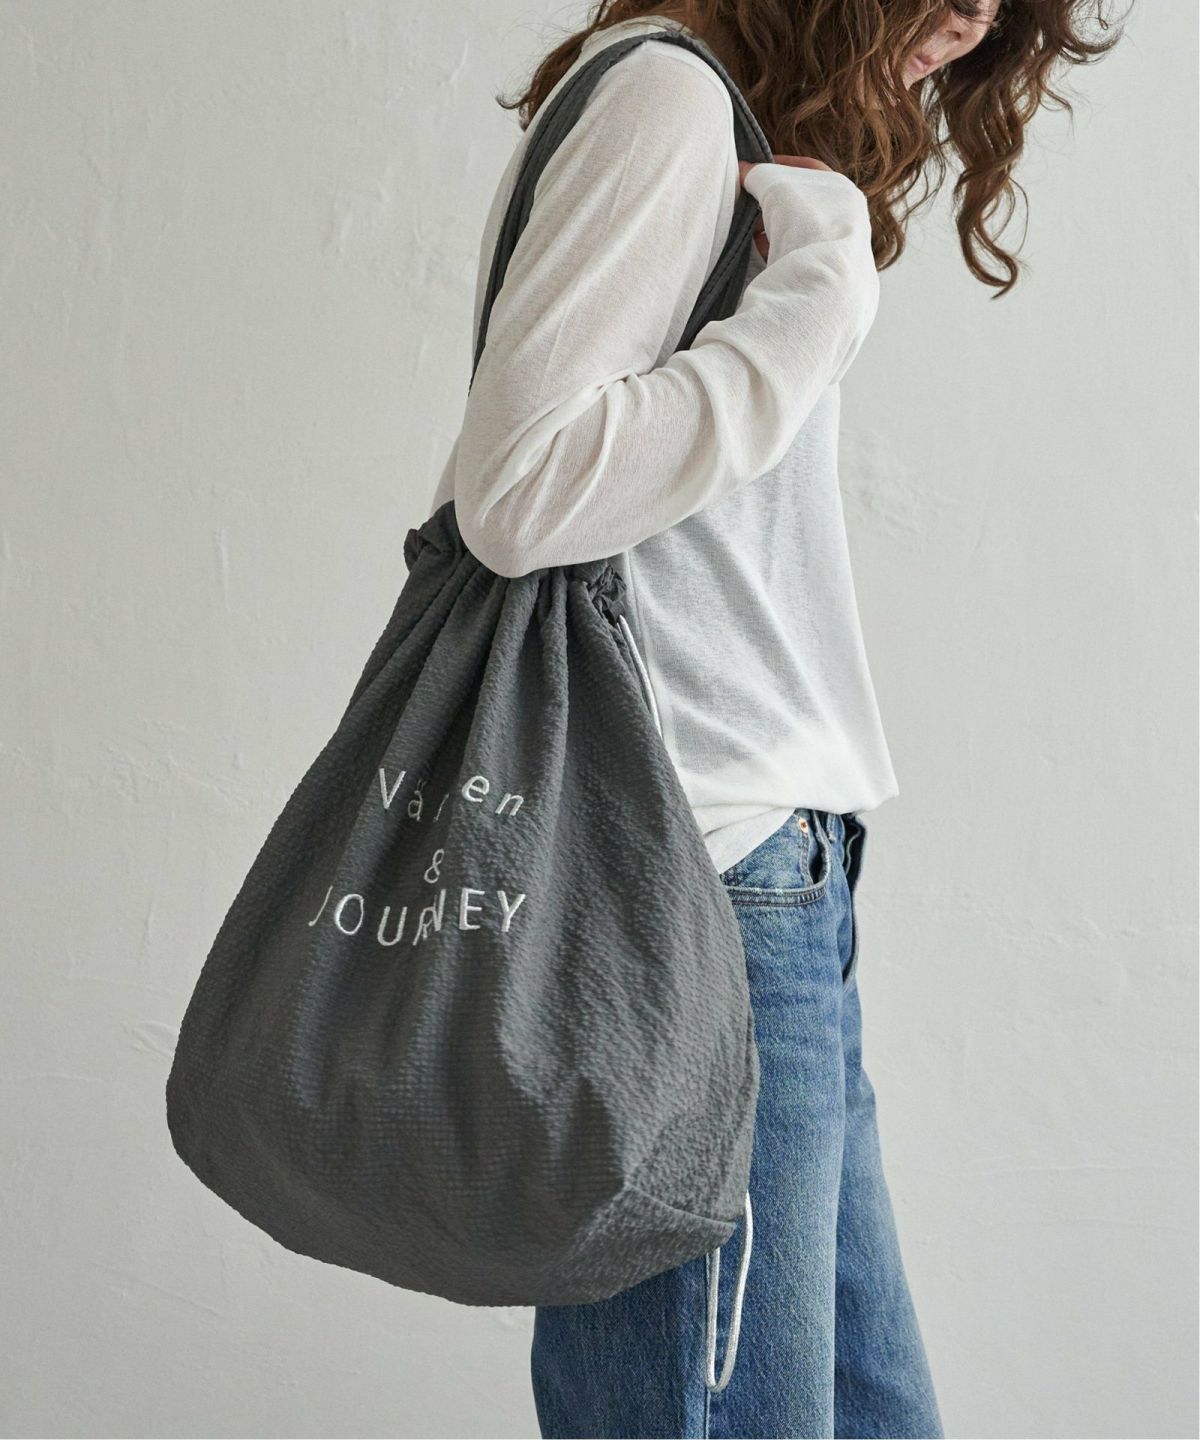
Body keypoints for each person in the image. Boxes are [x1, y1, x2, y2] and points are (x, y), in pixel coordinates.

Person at [424, 2, 1122, 1435]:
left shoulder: (714, 123)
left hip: (770, 873)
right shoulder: (663, 102)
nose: (975, 17)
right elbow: (519, 492)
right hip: (693, 877)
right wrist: (819, 302)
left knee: (871, 1415)